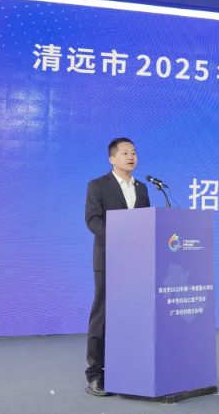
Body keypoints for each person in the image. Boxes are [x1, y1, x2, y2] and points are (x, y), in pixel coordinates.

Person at [84, 137, 151, 396]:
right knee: (103, 316)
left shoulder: (142, 188)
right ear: (112, 159)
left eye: (134, 152)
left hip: (137, 261)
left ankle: (127, 369)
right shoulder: (98, 185)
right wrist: (121, 235)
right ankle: (95, 375)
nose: (131, 156)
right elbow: (93, 220)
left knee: (133, 314)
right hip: (109, 259)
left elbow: (146, 222)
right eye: (125, 153)